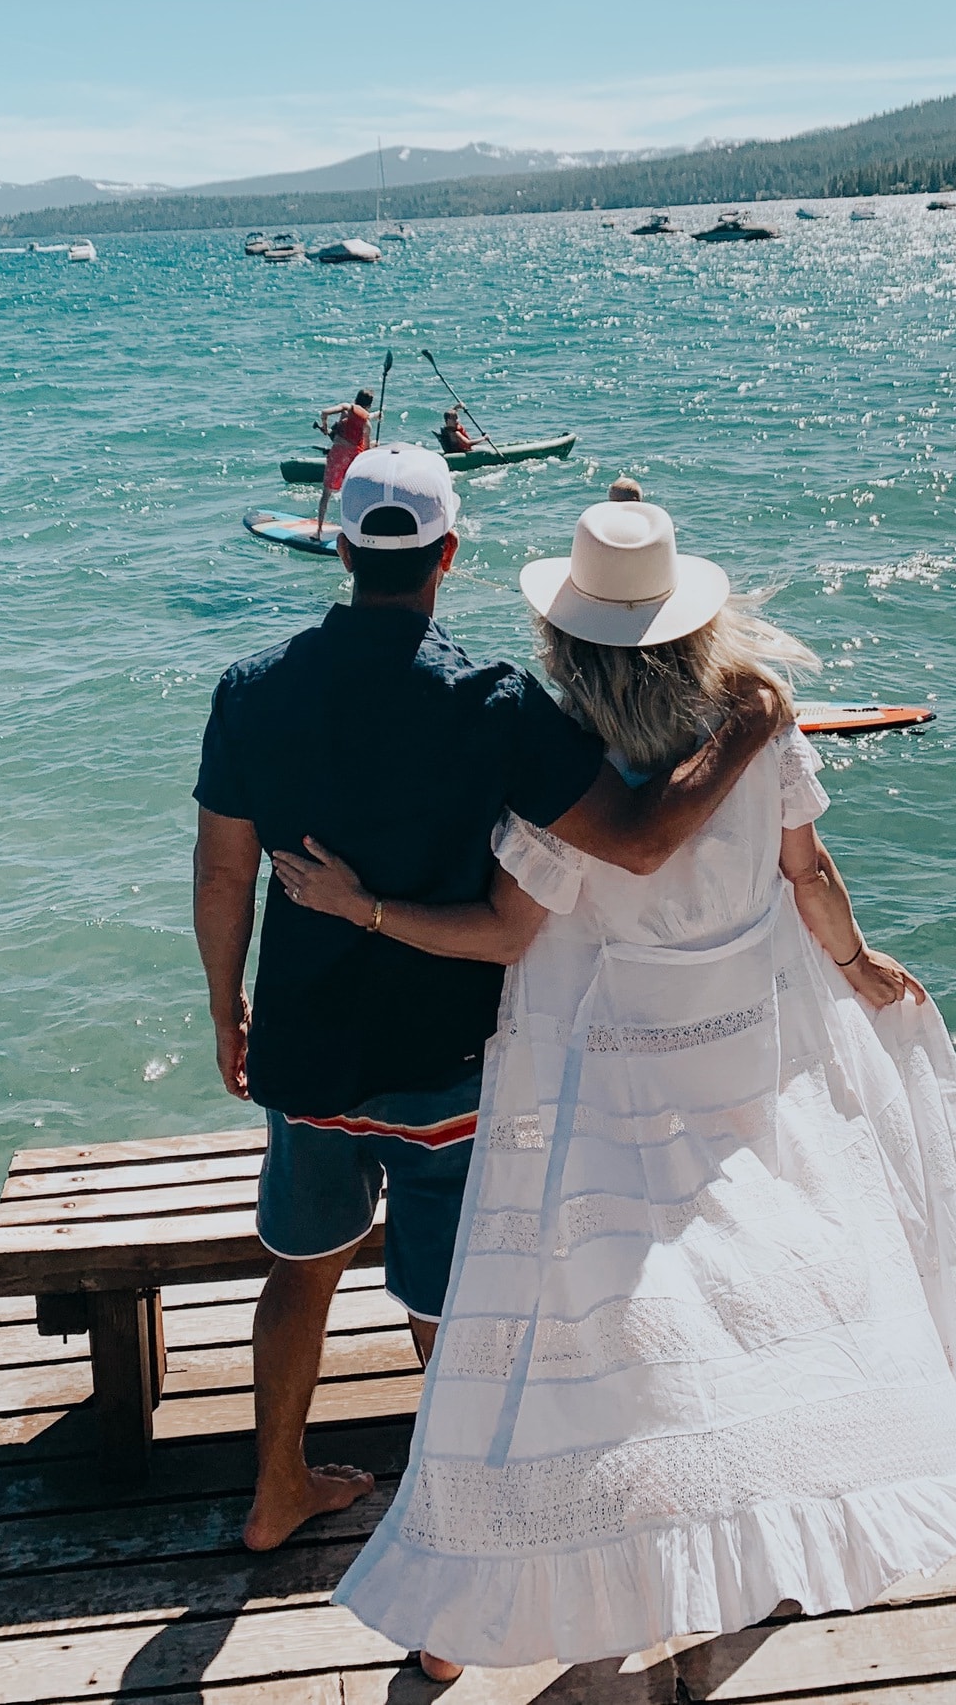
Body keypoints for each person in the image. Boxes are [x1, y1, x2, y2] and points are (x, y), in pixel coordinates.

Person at [273, 497, 956, 1676]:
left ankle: (478, 1605)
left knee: (577, 1341)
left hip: (598, 1090)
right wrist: (856, 964)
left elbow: (498, 935)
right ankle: (770, 1535)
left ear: (563, 645)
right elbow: (809, 871)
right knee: (758, 1309)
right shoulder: (758, 737)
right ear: (692, 631)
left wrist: (360, 908)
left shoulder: (560, 780)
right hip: (740, 1070)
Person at [191, 449, 787, 1558]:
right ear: (446, 555)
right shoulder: (494, 701)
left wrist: (226, 1006)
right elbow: (645, 841)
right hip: (443, 1061)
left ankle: (274, 1491)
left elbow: (222, 871)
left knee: (299, 1268)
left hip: (307, 1050)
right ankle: (454, 1533)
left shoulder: (251, 689)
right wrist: (751, 724)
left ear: (340, 546)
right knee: (444, 1303)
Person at [314, 387, 375, 537]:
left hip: (337, 455)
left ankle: (318, 530)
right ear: (368, 406)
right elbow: (366, 451)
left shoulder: (345, 408)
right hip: (353, 457)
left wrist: (325, 427)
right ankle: (355, 530)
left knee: (326, 493)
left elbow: (324, 412)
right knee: (351, 493)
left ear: (356, 400)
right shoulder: (367, 425)